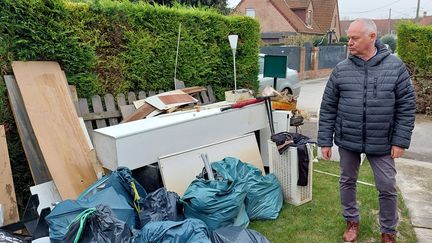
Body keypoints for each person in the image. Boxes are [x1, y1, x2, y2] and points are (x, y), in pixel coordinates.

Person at [318, 19, 416, 243]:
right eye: (349, 38)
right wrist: (324, 141)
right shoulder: (341, 69)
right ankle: (352, 221)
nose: (349, 43)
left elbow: (406, 106)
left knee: (387, 187)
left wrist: (400, 141)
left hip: (382, 141)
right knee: (347, 181)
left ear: (372, 37)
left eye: (354, 38)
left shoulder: (395, 66)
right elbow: (328, 107)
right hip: (348, 139)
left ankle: (388, 231)